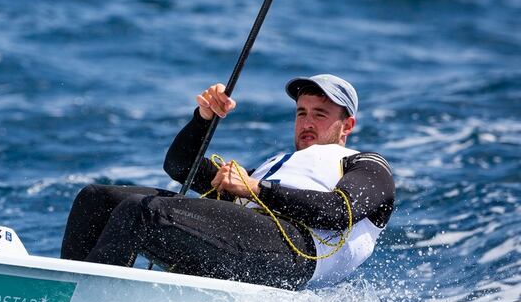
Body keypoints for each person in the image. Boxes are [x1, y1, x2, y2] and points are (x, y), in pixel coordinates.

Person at [59, 74, 395, 290]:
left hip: (295, 254)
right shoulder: (275, 164)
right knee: (98, 198)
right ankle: (62, 291)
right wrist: (204, 118)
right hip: (245, 237)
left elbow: (339, 212)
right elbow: (180, 166)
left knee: (141, 212)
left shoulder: (366, 165)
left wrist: (256, 190)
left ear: (347, 125)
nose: (307, 122)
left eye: (320, 114)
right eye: (301, 113)